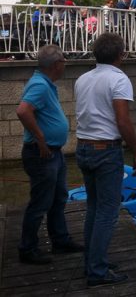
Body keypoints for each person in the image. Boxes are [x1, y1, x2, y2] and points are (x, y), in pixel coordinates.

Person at [75, 33, 136, 288]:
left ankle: (93, 261)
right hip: (106, 151)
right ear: (120, 55)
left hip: (83, 147)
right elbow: (123, 120)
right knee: (107, 212)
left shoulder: (83, 79)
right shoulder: (119, 79)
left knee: (93, 208)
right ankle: (97, 271)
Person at [16, 45, 84, 265]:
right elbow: (23, 111)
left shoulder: (45, 84)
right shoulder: (39, 85)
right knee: (40, 202)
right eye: (64, 61)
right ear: (56, 65)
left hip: (53, 153)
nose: (65, 64)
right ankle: (27, 248)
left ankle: (60, 240)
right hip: (42, 154)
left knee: (57, 198)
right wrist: (41, 140)